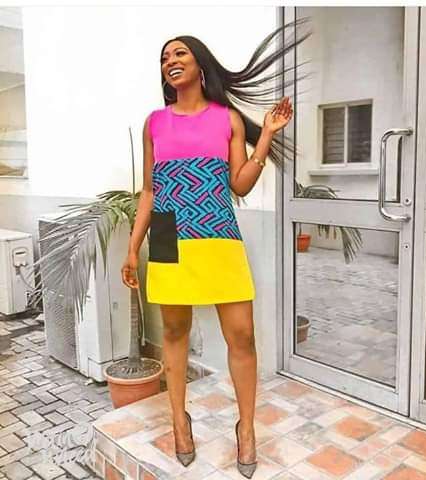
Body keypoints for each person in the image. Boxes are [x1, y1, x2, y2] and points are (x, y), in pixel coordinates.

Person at [121, 18, 312, 478]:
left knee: (242, 335)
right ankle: (179, 421)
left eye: (179, 53)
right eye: (165, 57)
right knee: (174, 333)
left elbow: (239, 183)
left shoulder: (226, 119)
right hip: (167, 234)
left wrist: (267, 135)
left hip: (219, 233)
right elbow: (149, 190)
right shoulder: (155, 123)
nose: (171, 61)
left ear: (199, 64)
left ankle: (246, 428)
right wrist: (133, 248)